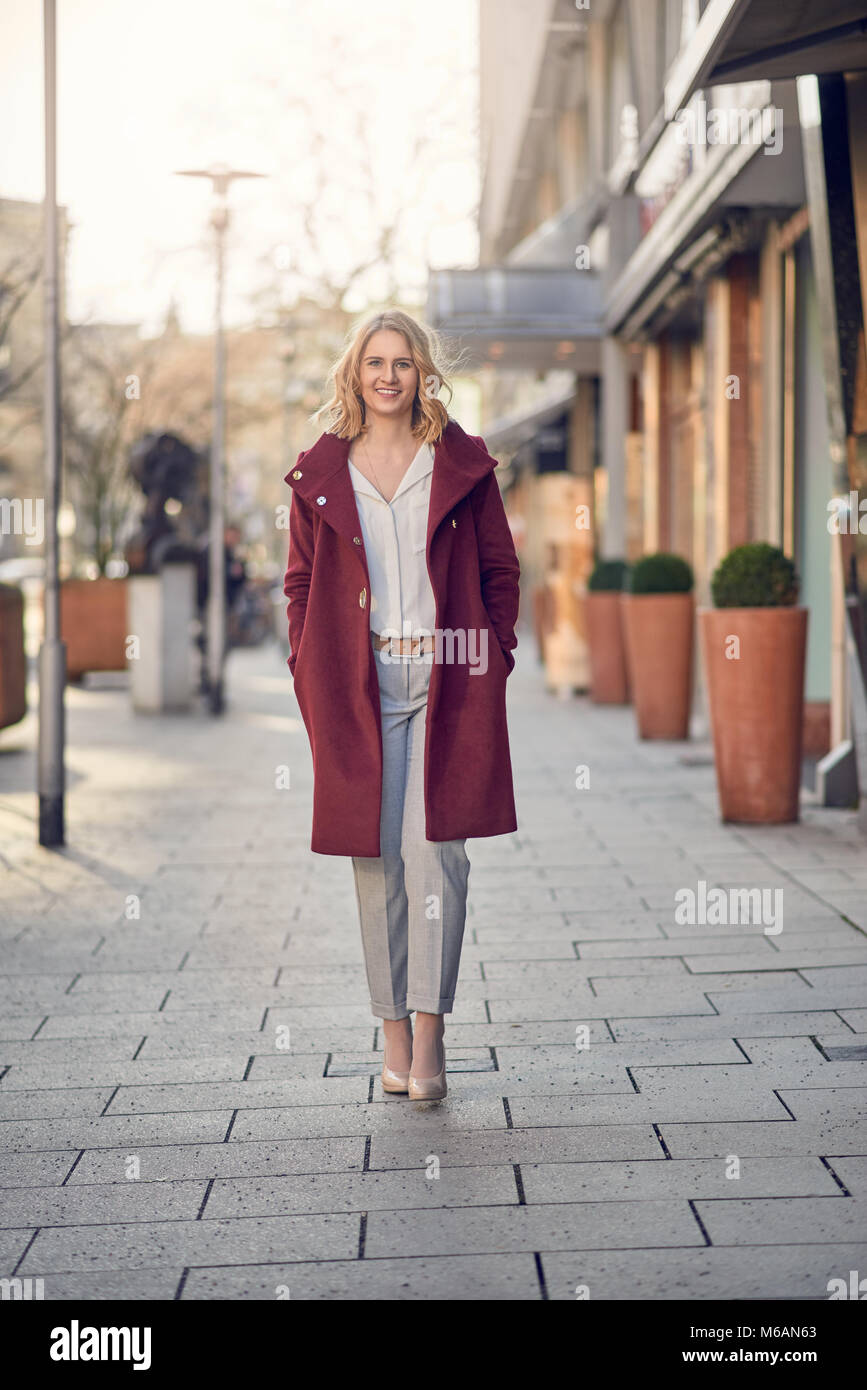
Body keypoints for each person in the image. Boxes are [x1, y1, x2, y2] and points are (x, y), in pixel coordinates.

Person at [282, 309, 519, 1101]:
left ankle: (430, 1029)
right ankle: (389, 1028)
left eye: (404, 363)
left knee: (437, 855)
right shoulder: (321, 471)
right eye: (374, 362)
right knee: (376, 855)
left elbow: (499, 571)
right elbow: (300, 585)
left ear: (424, 374)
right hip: (358, 683)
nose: (388, 376)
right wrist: (304, 666)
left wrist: (496, 657)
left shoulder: (460, 463)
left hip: (449, 678)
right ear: (354, 373)